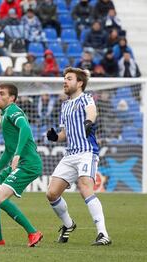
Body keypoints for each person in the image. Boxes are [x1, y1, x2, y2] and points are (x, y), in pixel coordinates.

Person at [46, 67, 112, 246]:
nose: (64, 81)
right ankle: (68, 225)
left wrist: (89, 122)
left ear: (80, 83)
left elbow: (92, 112)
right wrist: (55, 137)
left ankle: (103, 234)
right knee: (51, 194)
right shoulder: (65, 105)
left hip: (86, 152)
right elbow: (64, 134)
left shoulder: (86, 98)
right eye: (64, 78)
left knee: (85, 188)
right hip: (70, 154)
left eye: (69, 78)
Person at [0, 83, 43, 247]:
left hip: (29, 164)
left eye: (1, 94)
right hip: (18, 163)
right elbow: (8, 151)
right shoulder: (5, 114)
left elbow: (25, 128)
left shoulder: (14, 111)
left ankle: (33, 232)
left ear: (12, 98)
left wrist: (18, 154)